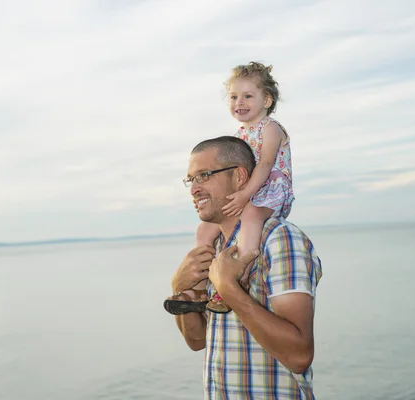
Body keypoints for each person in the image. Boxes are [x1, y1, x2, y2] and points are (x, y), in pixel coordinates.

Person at [165, 136, 323, 399]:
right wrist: (178, 288)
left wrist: (229, 289)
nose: (194, 189)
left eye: (204, 175)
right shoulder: (212, 247)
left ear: (239, 177)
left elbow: (299, 356)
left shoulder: (279, 239)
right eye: (191, 180)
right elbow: (197, 340)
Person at [166, 61, 295, 314]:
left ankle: (240, 276)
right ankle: (198, 285)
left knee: (250, 215)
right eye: (234, 97)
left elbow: (266, 165)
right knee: (205, 229)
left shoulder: (271, 129)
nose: (239, 102)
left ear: (267, 100)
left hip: (271, 189)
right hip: (248, 191)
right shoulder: (239, 135)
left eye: (248, 96)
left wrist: (245, 194)